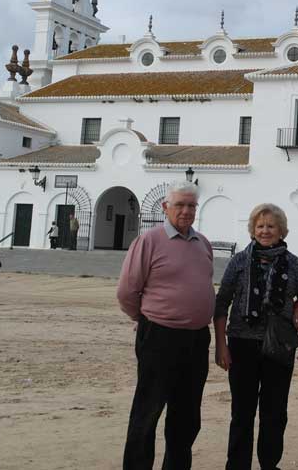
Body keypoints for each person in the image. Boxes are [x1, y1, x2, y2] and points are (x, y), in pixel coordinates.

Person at [116, 181, 214, 470]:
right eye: (180, 205)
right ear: (165, 207)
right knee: (148, 411)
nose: (186, 211)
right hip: (159, 337)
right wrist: (145, 319)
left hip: (196, 339)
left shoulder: (202, 243)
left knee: (186, 415)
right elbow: (126, 292)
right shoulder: (148, 241)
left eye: (191, 206)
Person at [214, 203, 298, 470]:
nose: (265, 231)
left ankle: (269, 464)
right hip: (242, 343)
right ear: (252, 230)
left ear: (281, 230)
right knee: (242, 412)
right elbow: (222, 302)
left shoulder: (292, 263)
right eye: (260, 226)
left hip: (280, 345)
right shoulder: (239, 261)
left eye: (271, 226)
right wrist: (220, 345)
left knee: (275, 412)